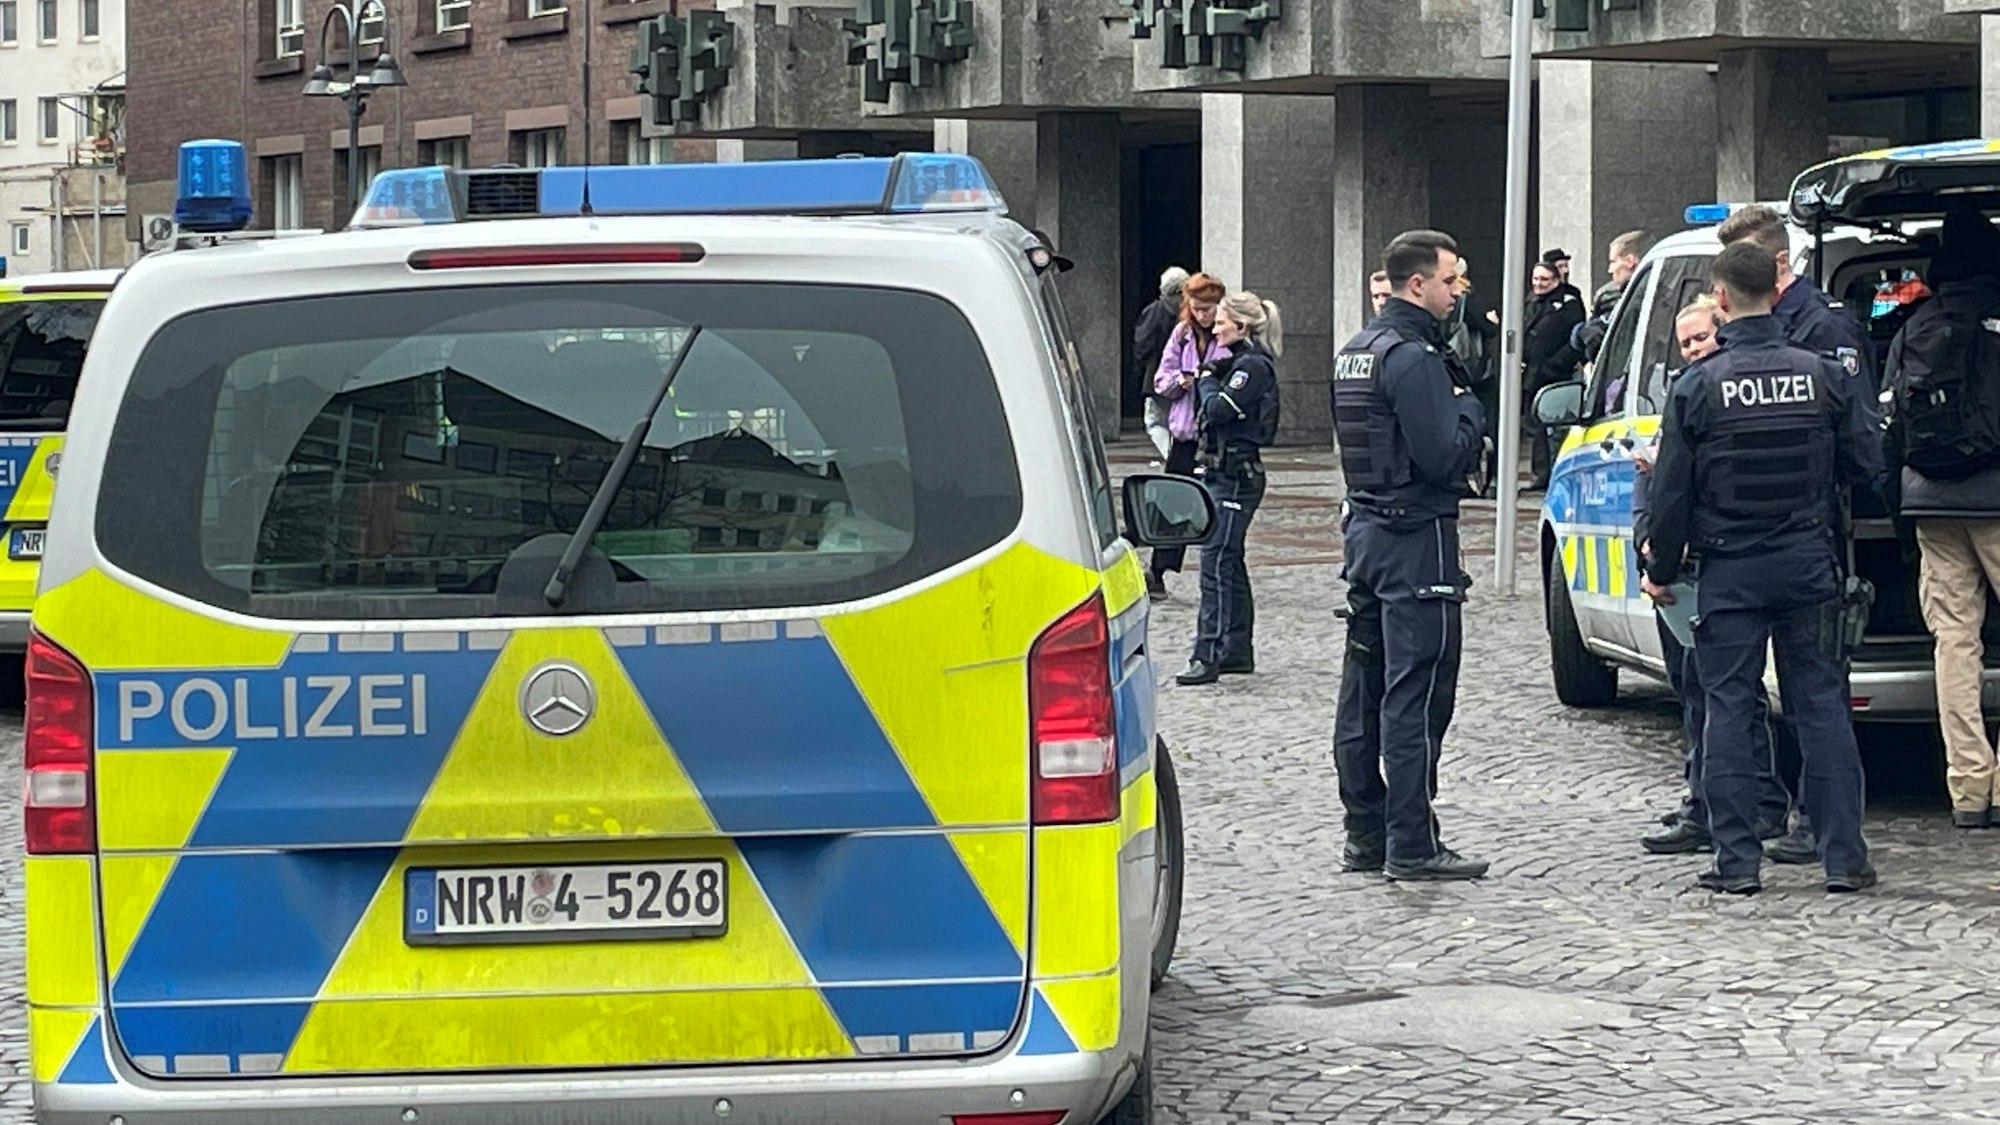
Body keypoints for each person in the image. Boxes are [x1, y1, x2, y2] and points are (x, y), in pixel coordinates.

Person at [1641, 242, 1883, 895]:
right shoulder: (1821, 374)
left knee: (1726, 708)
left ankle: (1736, 862)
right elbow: (1866, 460)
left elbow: (1670, 496)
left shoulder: (1697, 386)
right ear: (1775, 292)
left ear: (1720, 300)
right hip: (1807, 564)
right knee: (1822, 706)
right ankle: (1844, 857)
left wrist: (1661, 566)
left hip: (1730, 570)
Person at [1715, 203, 1879, 866]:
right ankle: (1835, 852)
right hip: (1798, 547)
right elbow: (1862, 449)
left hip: (1774, 546)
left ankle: (1763, 849)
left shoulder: (1824, 327)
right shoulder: (1798, 357)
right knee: (1801, 699)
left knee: (1797, 698)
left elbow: (1861, 447)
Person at [1331, 229, 1490, 882]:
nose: (1457, 292)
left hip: (1367, 533)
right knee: (1416, 694)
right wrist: (1471, 411)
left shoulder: (1356, 351)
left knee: (1362, 690)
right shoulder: (1414, 357)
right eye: (1450, 281)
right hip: (1416, 538)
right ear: (1417, 284)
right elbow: (1442, 456)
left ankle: (1364, 834)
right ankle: (1412, 842)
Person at [1634, 296, 1792, 855]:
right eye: (1684, 344)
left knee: (1724, 695)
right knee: (1694, 690)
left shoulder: (1717, 392)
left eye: (1701, 337)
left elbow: (1688, 485)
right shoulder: (1686, 391)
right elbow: (1656, 490)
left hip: (1718, 566)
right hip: (1680, 572)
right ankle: (1708, 799)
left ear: (1723, 331)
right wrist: (1649, 547)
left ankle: (1741, 808)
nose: (1693, 350)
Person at [1882, 209, 2000, 828]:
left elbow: (1890, 431)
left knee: (1954, 642)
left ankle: (1968, 789)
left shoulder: (1915, 326)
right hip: (1997, 501)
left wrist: (1898, 515)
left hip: (1931, 501)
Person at [1175, 291, 1282, 685]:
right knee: (1228, 560)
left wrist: (1206, 381)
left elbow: (1219, 410)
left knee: (1215, 561)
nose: (1215, 329)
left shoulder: (1251, 366)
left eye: (1221, 322)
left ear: (1242, 325)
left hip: (1236, 476)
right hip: (1225, 473)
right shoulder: (1238, 362)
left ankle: (1208, 653)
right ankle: (1236, 649)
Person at [1149, 272, 1228, 600]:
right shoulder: (1182, 334)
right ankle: (1158, 570)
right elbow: (1161, 379)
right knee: (1173, 503)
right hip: (1185, 433)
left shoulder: (1226, 333)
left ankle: (1220, 573)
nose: (1203, 315)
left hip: (1217, 433)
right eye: (1196, 308)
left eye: (1208, 308)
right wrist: (1180, 382)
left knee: (1218, 504)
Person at [1522, 261, 1586, 490]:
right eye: (1536, 279)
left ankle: (1558, 473)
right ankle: (1541, 474)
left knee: (1558, 428)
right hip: (1532, 372)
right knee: (1536, 426)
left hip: (1557, 373)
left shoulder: (1568, 303)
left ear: (1556, 280)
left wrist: (1556, 364)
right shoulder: (1531, 301)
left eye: (1544, 279)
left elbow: (1576, 339)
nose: (1539, 284)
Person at [1135, 266, 1191, 462]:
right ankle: (1181, 456)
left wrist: (1141, 368)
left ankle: (1171, 456)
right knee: (1182, 419)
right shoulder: (1191, 312)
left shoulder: (1155, 311)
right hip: (1186, 375)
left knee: (1155, 421)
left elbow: (1143, 344)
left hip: (1157, 376)